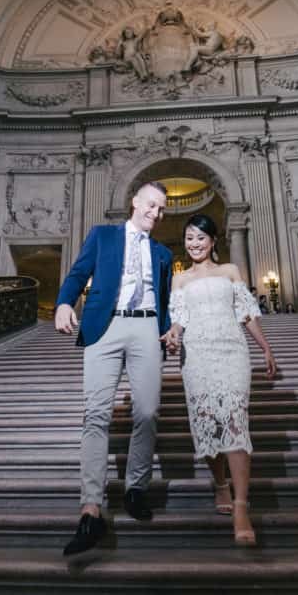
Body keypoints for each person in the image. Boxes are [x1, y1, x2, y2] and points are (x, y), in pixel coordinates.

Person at [55, 181, 173, 557]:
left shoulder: (163, 253)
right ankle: (91, 509)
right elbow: (78, 273)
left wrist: (169, 329)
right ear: (135, 201)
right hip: (104, 326)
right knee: (95, 414)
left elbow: (166, 298)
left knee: (148, 411)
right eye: (152, 205)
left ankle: (136, 488)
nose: (157, 213)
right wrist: (63, 303)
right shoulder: (103, 236)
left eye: (162, 209)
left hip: (146, 327)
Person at [162, 214, 277, 546]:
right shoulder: (179, 279)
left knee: (236, 421)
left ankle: (241, 506)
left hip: (232, 352)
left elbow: (246, 313)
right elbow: (179, 319)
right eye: (189, 238)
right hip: (196, 355)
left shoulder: (230, 271)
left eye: (200, 237)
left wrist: (266, 348)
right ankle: (220, 484)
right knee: (208, 423)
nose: (194, 244)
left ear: (213, 241)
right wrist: (172, 334)